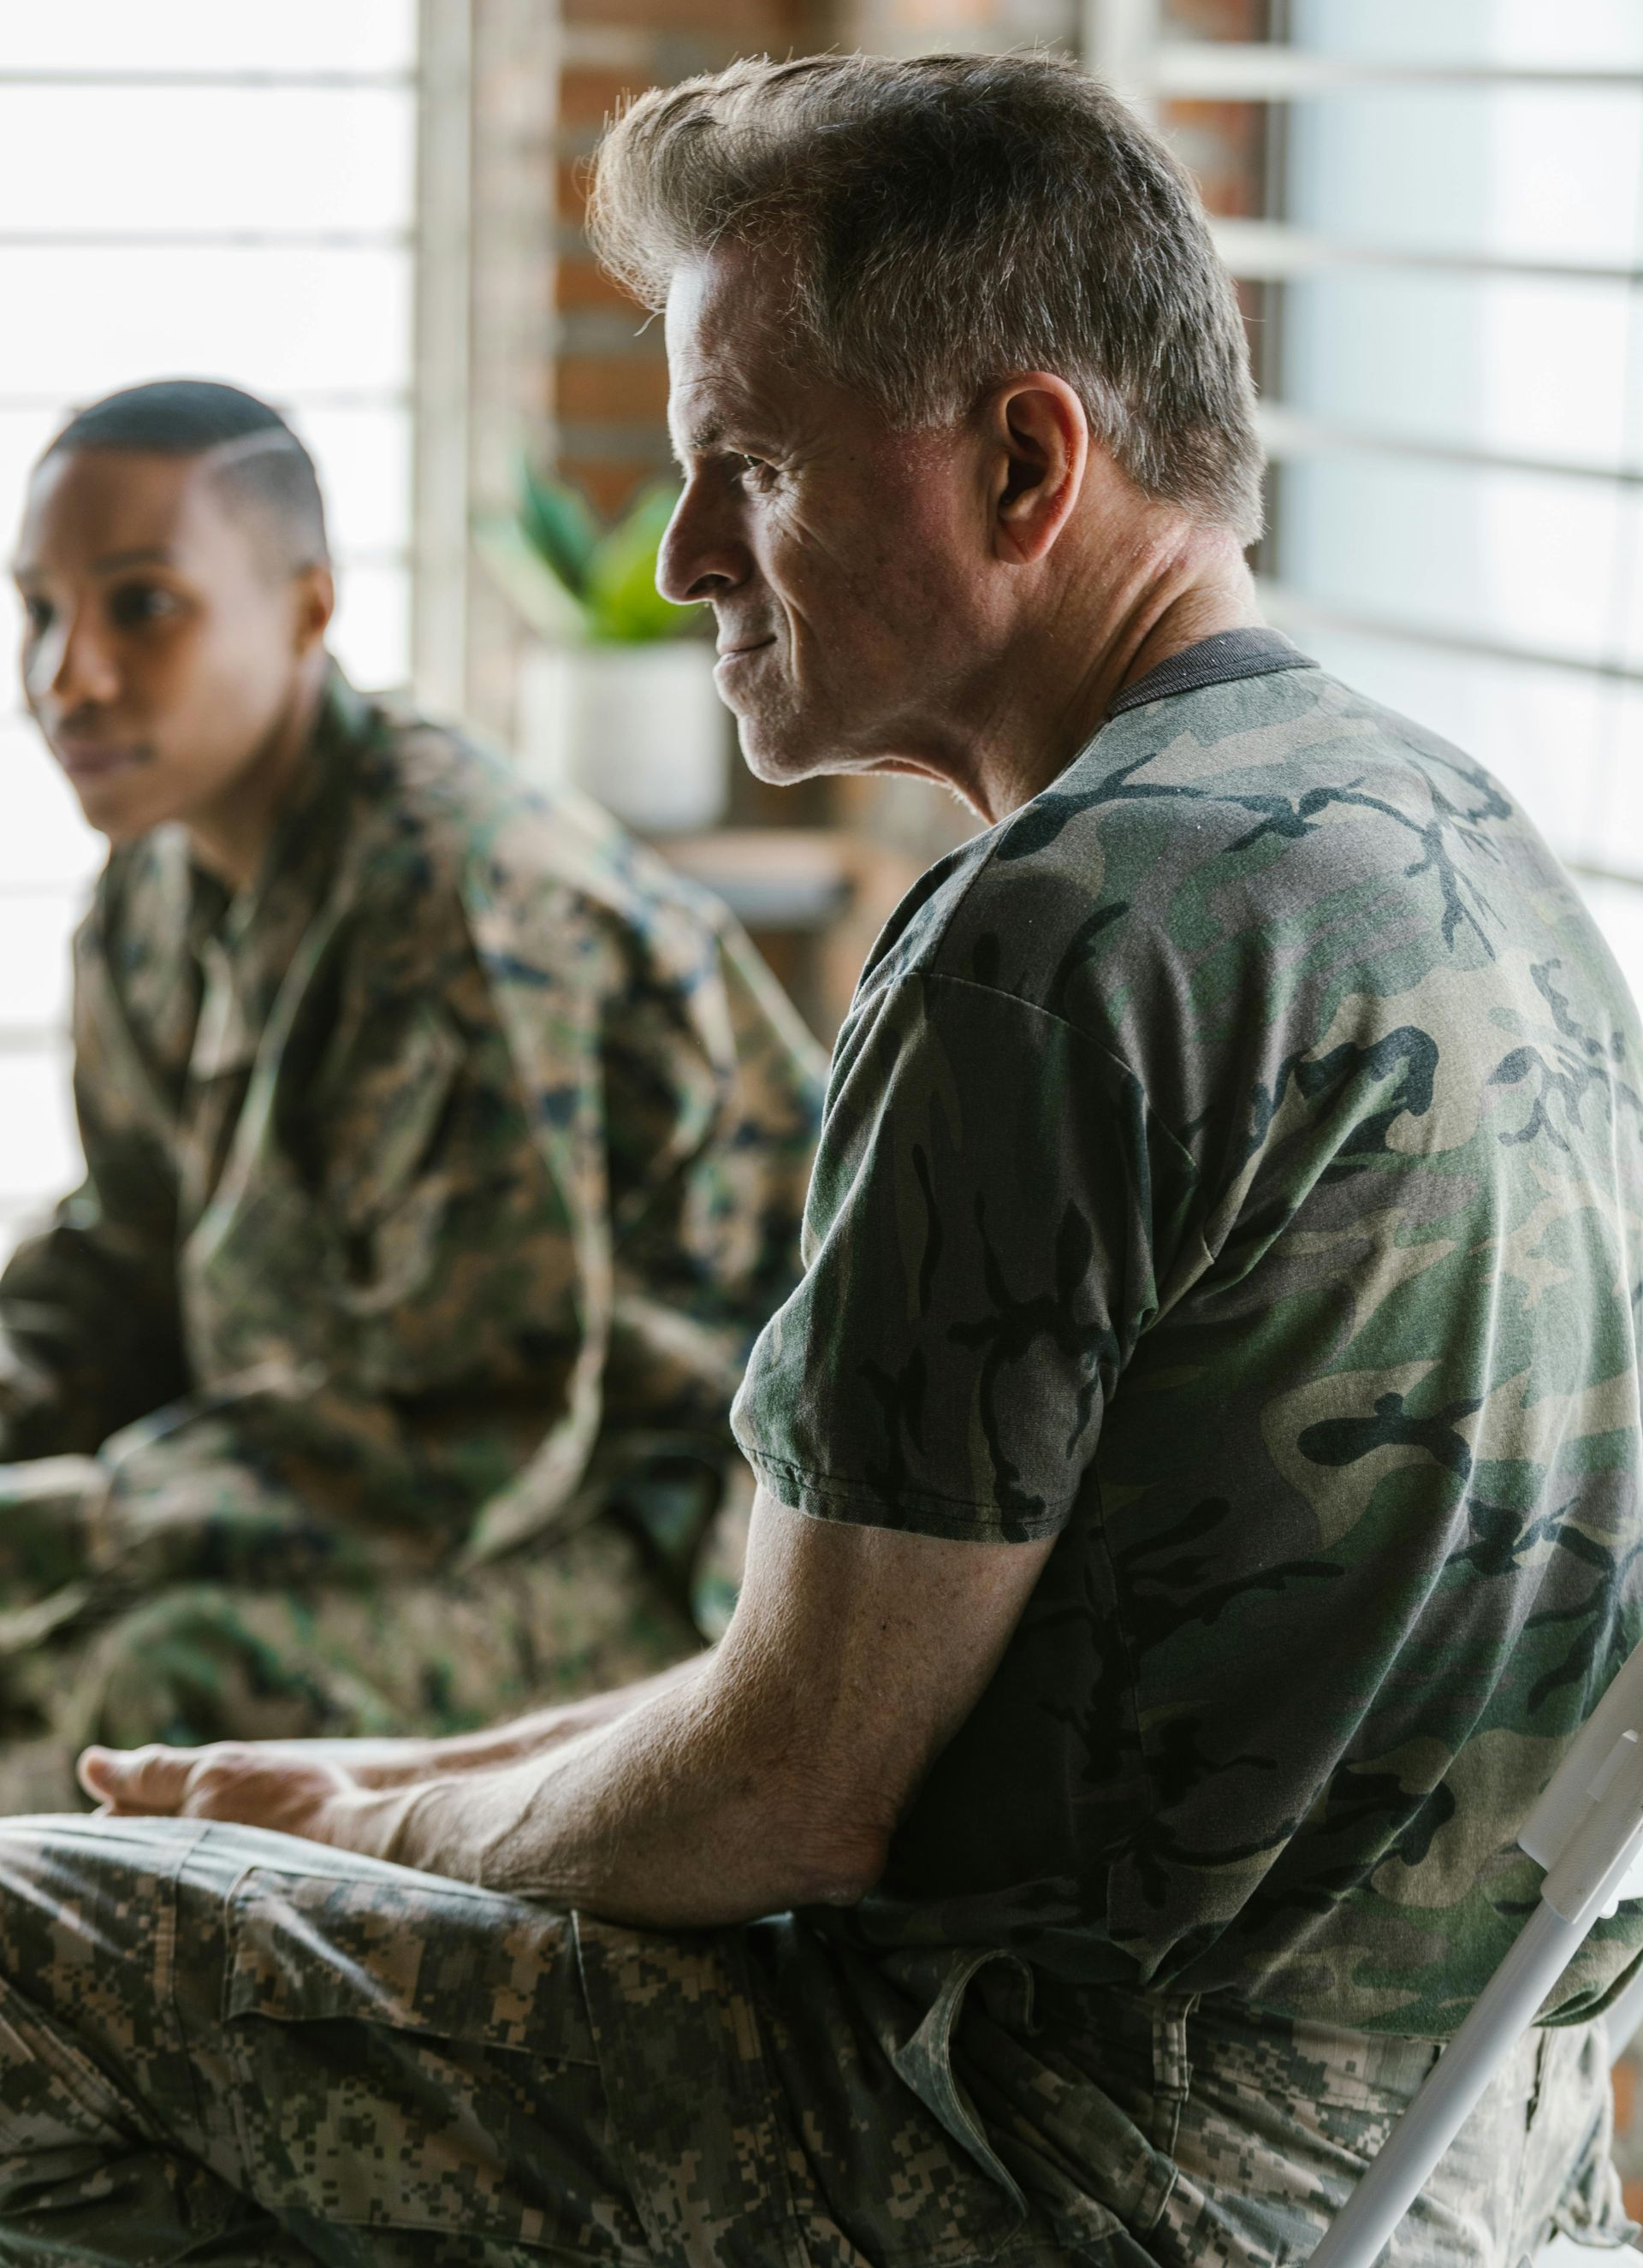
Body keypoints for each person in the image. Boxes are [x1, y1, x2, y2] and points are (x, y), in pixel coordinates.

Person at [2, 54, 1640, 2267]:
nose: (678, 555)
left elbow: (800, 1787)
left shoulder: (1053, 943)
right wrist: (390, 1795)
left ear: (1025, 459)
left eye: (744, 467)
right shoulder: (1453, 835)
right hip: (1450, 2172)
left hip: (1058, 2174)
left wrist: (399, 1813)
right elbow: (869, 1677)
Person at [0, 377, 823, 1812]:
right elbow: (127, 1257)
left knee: (158, 1687)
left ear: (308, 611)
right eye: (36, 611)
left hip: (668, 1536)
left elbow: (473, 1430)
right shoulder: (155, 879)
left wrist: (67, 1528)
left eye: (141, 608)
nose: (71, 675)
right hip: (392, 1477)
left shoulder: (452, 905)